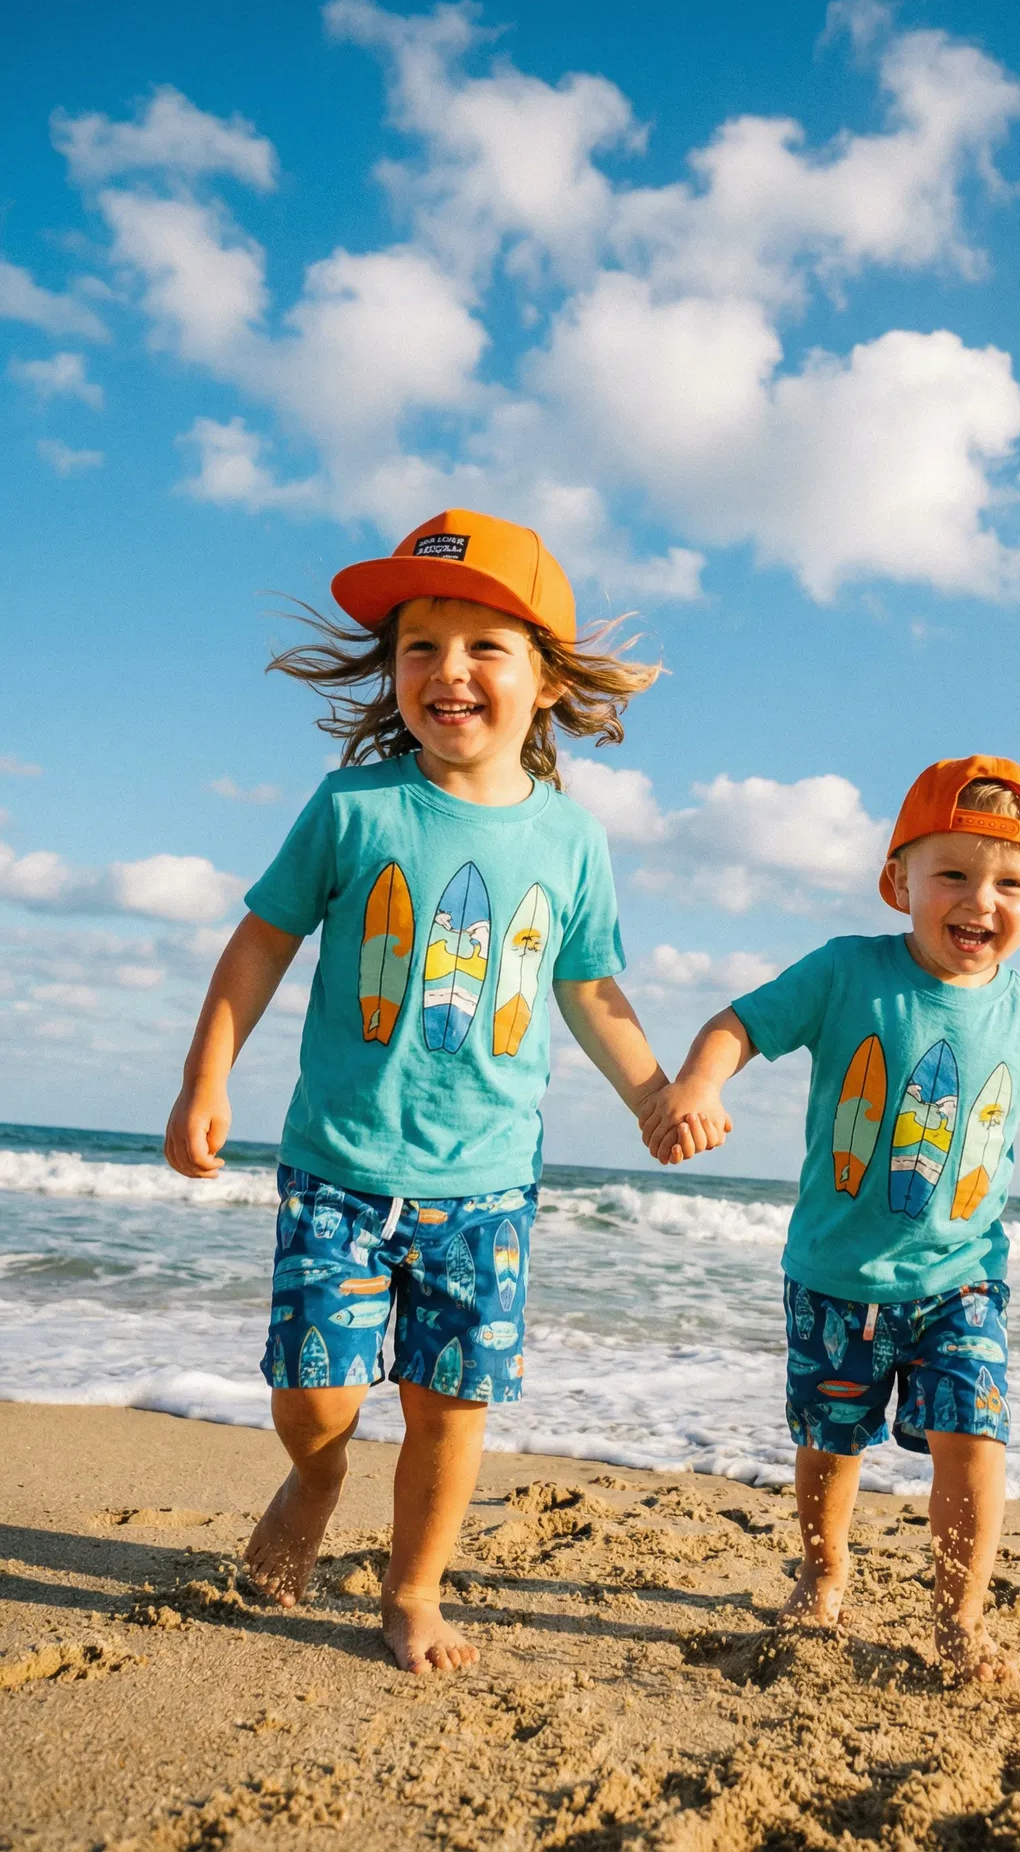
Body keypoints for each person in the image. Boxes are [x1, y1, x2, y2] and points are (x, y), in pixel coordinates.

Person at [166, 509, 669, 1674]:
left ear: (545, 678)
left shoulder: (571, 840)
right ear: (393, 672)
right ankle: (317, 1472)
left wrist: (651, 1090)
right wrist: (207, 1076)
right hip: (340, 1162)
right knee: (315, 1393)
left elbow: (590, 986)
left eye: (484, 646)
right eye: (419, 647)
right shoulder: (354, 808)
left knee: (451, 1405)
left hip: (487, 1184)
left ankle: (413, 1588)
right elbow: (260, 943)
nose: (448, 672)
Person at [638, 756, 1020, 1680]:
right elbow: (737, 1024)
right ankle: (823, 1571)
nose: (981, 899)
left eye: (1011, 881)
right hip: (834, 1276)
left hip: (961, 1279)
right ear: (901, 884)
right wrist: (696, 1081)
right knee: (829, 1445)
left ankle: (959, 1620)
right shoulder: (849, 971)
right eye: (954, 874)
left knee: (975, 1442)